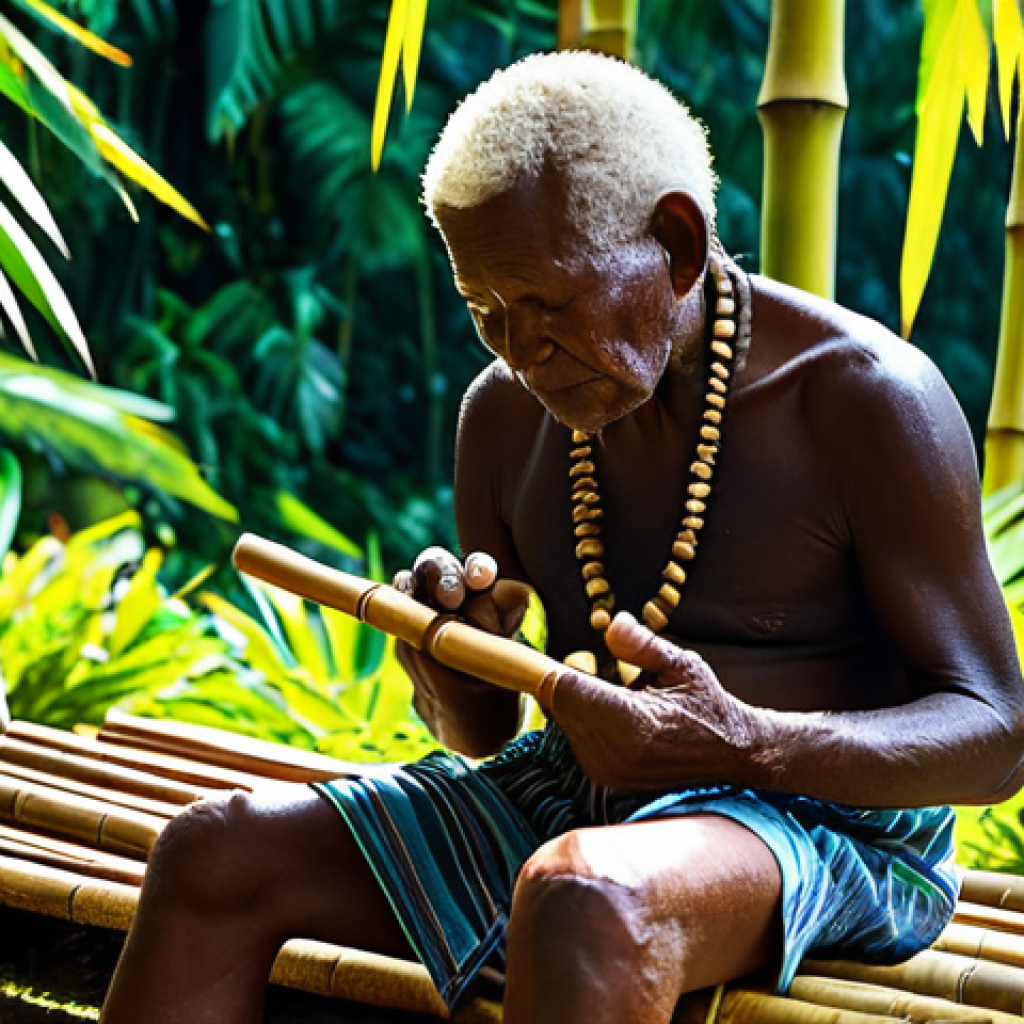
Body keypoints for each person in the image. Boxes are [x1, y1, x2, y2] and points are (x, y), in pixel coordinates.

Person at [100, 52, 1024, 1024]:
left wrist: (746, 742)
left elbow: (996, 740)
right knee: (214, 851)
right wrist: (460, 674)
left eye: (547, 302)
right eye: (483, 310)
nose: (520, 348)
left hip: (833, 830)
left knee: (585, 897)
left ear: (674, 243)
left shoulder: (863, 400)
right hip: (578, 802)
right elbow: (483, 740)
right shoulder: (502, 418)